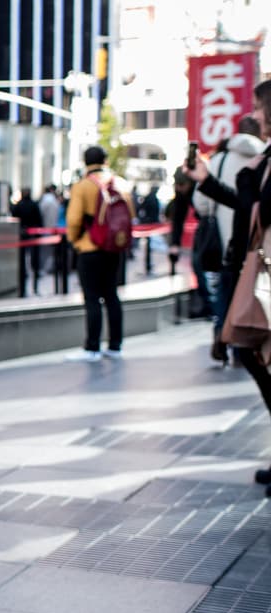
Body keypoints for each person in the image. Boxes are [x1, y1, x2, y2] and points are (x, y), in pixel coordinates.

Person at [186, 79, 271, 493]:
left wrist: (249, 179)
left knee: (256, 354)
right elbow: (246, 206)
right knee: (250, 352)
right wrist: (206, 180)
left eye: (258, 107)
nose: (253, 115)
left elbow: (261, 208)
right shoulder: (265, 157)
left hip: (265, 274)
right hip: (253, 272)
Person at [65, 145, 136, 361]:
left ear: (85, 162)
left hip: (90, 247)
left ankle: (92, 347)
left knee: (92, 297)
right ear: (105, 160)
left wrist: (75, 240)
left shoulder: (83, 186)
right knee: (112, 295)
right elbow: (130, 215)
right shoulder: (120, 183)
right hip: (114, 248)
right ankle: (115, 345)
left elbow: (74, 220)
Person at [10, 187, 44, 293]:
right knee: (33, 259)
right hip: (32, 235)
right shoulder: (34, 204)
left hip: (22, 235)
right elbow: (39, 219)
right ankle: (34, 284)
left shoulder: (18, 205)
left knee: (23, 259)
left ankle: (24, 285)